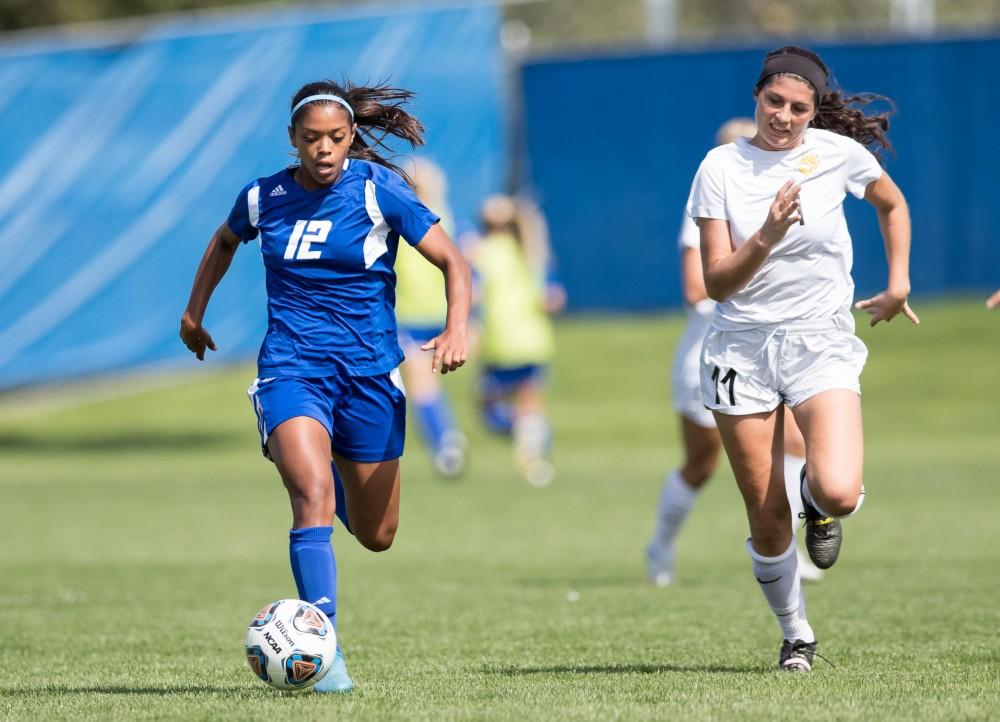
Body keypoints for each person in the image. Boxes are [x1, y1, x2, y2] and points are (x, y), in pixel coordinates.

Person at [179, 79, 471, 692]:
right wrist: (193, 312)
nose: (324, 149)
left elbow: (453, 261)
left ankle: (327, 464)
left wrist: (455, 329)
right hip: (292, 367)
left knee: (377, 534)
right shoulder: (264, 197)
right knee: (309, 493)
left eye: (335, 138)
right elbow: (224, 240)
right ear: (293, 140)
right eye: (311, 139)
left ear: (352, 137)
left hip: (367, 374)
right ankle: (324, 649)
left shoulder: (377, 191)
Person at [687, 46, 918, 672]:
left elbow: (892, 205)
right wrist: (767, 232)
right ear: (756, 97)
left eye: (799, 108)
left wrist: (898, 283)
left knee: (839, 491)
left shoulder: (836, 155)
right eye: (774, 103)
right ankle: (797, 634)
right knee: (766, 522)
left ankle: (816, 503)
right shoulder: (720, 167)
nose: (784, 117)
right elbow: (716, 283)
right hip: (741, 349)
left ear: (814, 112)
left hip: (819, 338)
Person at [646, 118, 824, 588]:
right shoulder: (708, 206)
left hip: (770, 349)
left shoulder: (786, 205)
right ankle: (660, 546)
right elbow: (694, 287)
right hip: (714, 352)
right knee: (700, 464)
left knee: (796, 446)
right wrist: (751, 273)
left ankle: (791, 550)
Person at [469, 194, 566, 486]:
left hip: (500, 340)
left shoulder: (481, 252)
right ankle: (534, 452)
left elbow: (472, 293)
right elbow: (554, 298)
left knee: (488, 408)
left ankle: (531, 449)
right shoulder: (532, 252)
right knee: (530, 406)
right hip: (533, 339)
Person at [394, 157, 467, 478]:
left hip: (417, 316)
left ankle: (445, 442)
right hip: (436, 314)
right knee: (422, 382)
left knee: (422, 382)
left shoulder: (405, 221)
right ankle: (445, 441)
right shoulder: (450, 219)